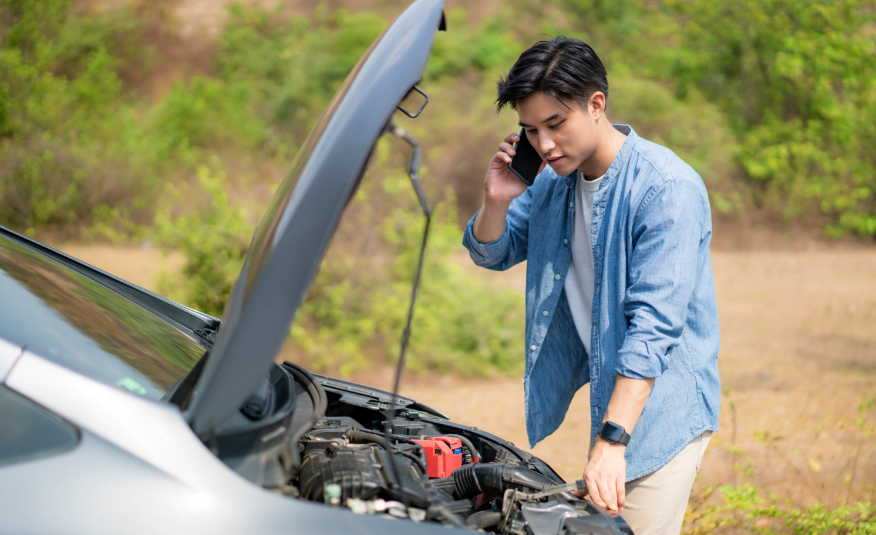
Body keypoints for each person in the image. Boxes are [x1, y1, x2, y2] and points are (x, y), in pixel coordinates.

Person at [461, 37, 721, 535]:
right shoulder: (552, 180)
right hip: (611, 401)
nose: (544, 145)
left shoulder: (666, 188)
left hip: (660, 408)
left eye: (556, 125)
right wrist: (496, 199)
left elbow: (654, 329)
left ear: (596, 104)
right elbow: (491, 252)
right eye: (531, 130)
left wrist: (612, 443)